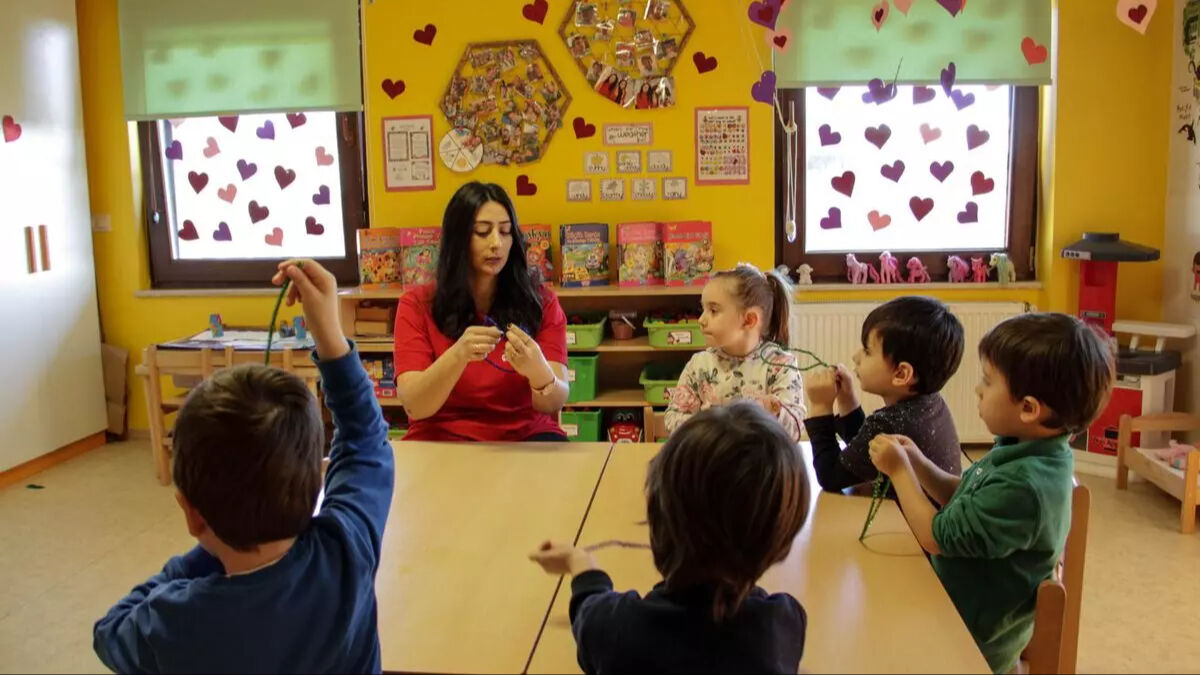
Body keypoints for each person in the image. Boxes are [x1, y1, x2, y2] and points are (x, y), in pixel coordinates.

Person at [93, 259, 394, 673]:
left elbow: (110, 631)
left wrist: (206, 551)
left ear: (192, 513)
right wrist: (328, 330)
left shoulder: (174, 620)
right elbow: (365, 439)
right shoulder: (345, 552)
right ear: (316, 484)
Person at [868, 313, 1114, 674]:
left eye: (987, 381)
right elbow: (966, 497)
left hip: (968, 641)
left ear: (1029, 409)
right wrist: (918, 462)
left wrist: (900, 472)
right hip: (962, 617)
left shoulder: (1025, 486)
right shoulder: (1029, 449)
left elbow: (935, 536)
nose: (977, 389)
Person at [529, 402, 810, 673]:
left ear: (658, 521)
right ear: (780, 542)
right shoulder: (782, 625)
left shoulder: (618, 630)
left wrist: (581, 565)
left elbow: (588, 612)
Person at [393, 182, 570, 441]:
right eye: (482, 232)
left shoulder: (541, 302)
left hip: (525, 436)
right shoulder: (417, 304)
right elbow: (415, 406)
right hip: (441, 438)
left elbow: (553, 403)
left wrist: (539, 372)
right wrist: (458, 355)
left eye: (506, 231)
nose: (496, 243)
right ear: (458, 238)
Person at [804, 296, 965, 495]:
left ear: (901, 374)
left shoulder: (891, 422)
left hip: (908, 522)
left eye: (867, 351)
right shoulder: (930, 402)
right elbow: (863, 455)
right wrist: (848, 401)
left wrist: (820, 407)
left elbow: (831, 476)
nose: (856, 356)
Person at [665, 264, 806, 441]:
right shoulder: (699, 365)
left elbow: (794, 431)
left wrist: (775, 412)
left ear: (749, 320)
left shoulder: (780, 365)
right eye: (703, 309)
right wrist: (702, 423)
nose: (701, 320)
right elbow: (672, 419)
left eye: (713, 310)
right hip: (713, 462)